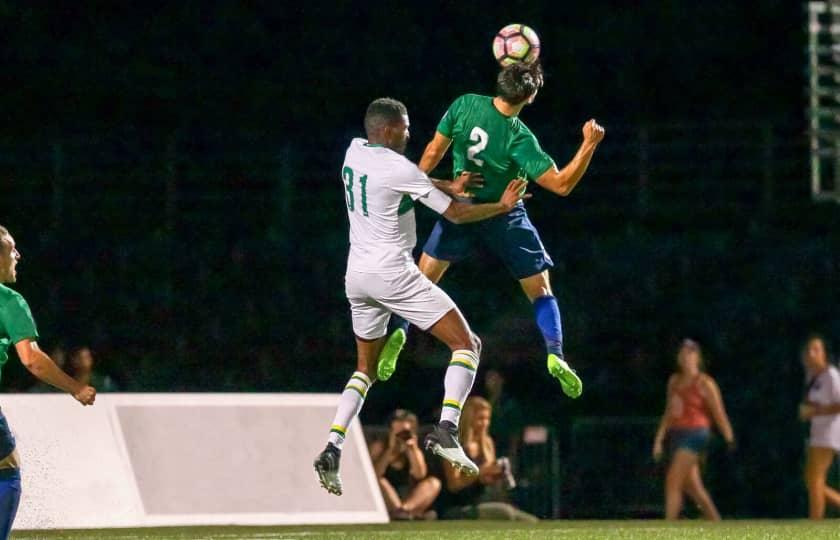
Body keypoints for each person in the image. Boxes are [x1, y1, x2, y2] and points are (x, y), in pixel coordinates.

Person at [313, 98, 530, 496]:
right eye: (407, 128)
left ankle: (333, 446)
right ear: (391, 130)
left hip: (357, 276)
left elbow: (409, 184)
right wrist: (501, 206)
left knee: (365, 370)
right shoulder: (400, 167)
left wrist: (448, 184)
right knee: (467, 345)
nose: (411, 134)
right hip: (393, 275)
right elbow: (455, 215)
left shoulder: (353, 152)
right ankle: (447, 430)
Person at [377, 61, 605, 400]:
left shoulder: (465, 104)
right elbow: (561, 185)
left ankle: (399, 329)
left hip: (462, 208)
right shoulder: (519, 136)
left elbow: (432, 151)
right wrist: (589, 144)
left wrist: (420, 186)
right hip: (505, 212)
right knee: (541, 291)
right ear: (530, 97)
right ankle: (555, 353)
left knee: (420, 280)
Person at [0, 225, 96, 538]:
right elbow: (32, 360)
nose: (18, 255)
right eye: (11, 249)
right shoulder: (9, 301)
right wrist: (76, 387)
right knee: (7, 471)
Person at [652, 339, 735, 521]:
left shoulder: (705, 383)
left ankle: (669, 526)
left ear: (698, 357)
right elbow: (669, 412)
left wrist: (729, 436)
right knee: (693, 487)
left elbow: (718, 412)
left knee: (673, 480)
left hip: (696, 434)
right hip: (677, 433)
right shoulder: (674, 381)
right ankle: (718, 524)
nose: (685, 357)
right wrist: (658, 439)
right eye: (682, 353)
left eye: (690, 353)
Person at [438, 396, 537, 521]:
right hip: (459, 506)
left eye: (487, 419)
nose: (485, 423)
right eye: (480, 419)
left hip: (484, 501)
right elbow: (454, 485)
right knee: (506, 513)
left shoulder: (487, 442)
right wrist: (480, 472)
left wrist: (496, 475)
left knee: (530, 522)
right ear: (468, 419)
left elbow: (486, 479)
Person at [369, 409, 440, 519]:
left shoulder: (415, 447)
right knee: (380, 481)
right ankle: (404, 513)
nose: (400, 437)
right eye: (397, 433)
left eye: (405, 433)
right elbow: (373, 476)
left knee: (434, 483)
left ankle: (403, 511)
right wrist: (389, 450)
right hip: (386, 497)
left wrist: (412, 449)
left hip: (409, 497)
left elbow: (419, 475)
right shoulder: (380, 447)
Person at [798, 333, 840, 519]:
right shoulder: (815, 378)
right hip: (817, 433)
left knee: (815, 479)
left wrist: (815, 412)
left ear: (824, 353)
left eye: (816, 349)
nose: (811, 353)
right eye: (808, 350)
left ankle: (815, 525)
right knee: (812, 480)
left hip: (829, 433)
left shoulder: (831, 374)